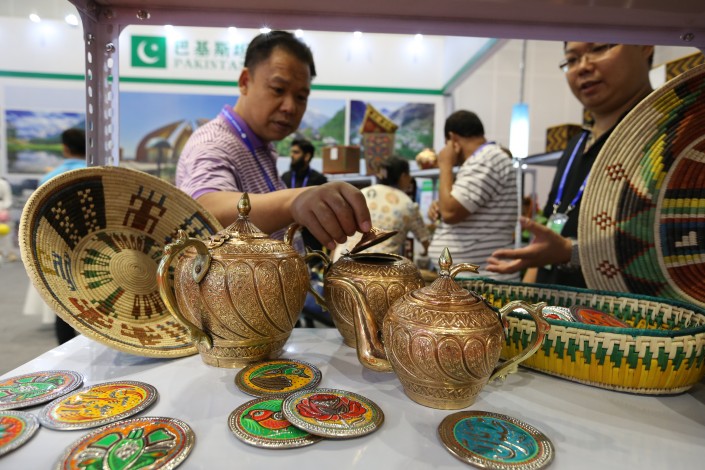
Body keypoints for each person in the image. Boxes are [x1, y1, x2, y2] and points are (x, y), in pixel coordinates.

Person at [176, 31, 370, 250]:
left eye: (301, 97)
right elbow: (204, 212)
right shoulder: (213, 142)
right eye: (278, 89)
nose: (290, 107)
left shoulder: (260, 145)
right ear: (245, 81)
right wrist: (293, 201)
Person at [487, 42, 654, 287]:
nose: (583, 67)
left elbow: (668, 251)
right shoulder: (577, 143)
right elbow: (548, 234)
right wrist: (527, 295)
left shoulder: (667, 135)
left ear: (644, 45)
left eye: (599, 48)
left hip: (617, 309)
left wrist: (570, 252)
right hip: (551, 305)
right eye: (572, 59)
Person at [427, 110, 518, 280]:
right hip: (475, 277)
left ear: (453, 139)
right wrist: (440, 204)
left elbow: (450, 213)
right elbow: (456, 207)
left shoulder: (486, 159)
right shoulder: (482, 160)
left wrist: (445, 165)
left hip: (483, 279)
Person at [24, 128, 87, 344]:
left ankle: (67, 349)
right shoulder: (94, 172)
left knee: (63, 303)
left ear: (65, 148)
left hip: (59, 248)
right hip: (95, 246)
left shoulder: (49, 178)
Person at [333, 156, 430, 260]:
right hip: (379, 265)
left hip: (343, 260)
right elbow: (425, 239)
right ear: (403, 176)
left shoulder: (362, 193)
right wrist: (424, 253)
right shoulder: (407, 204)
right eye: (408, 174)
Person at [281, 138, 328, 252]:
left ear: (307, 156)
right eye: (292, 152)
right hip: (287, 233)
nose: (292, 155)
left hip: (311, 235)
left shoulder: (319, 180)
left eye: (296, 152)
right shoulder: (285, 177)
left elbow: (323, 210)